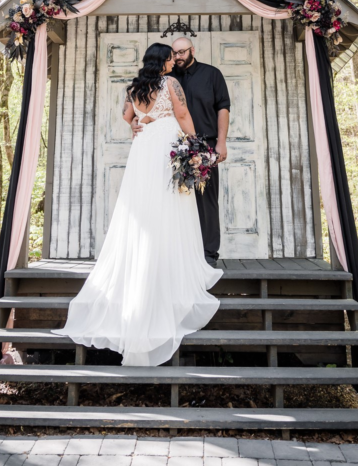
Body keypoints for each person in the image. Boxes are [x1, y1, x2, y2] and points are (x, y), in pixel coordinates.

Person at [54, 42, 222, 366]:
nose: (174, 61)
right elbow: (183, 113)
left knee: (144, 207)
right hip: (166, 146)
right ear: (163, 60)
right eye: (171, 57)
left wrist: (134, 124)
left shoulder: (133, 88)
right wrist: (195, 143)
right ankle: (170, 270)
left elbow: (126, 115)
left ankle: (145, 265)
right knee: (171, 206)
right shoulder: (170, 83)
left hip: (143, 149)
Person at [132, 36, 230, 266]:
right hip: (171, 148)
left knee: (206, 200)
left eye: (182, 52)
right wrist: (134, 124)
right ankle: (177, 254)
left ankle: (208, 254)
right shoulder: (164, 79)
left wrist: (221, 142)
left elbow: (223, 108)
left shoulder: (211, 74)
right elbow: (142, 109)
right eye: (174, 54)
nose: (178, 57)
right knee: (173, 200)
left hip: (205, 144)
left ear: (192, 50)